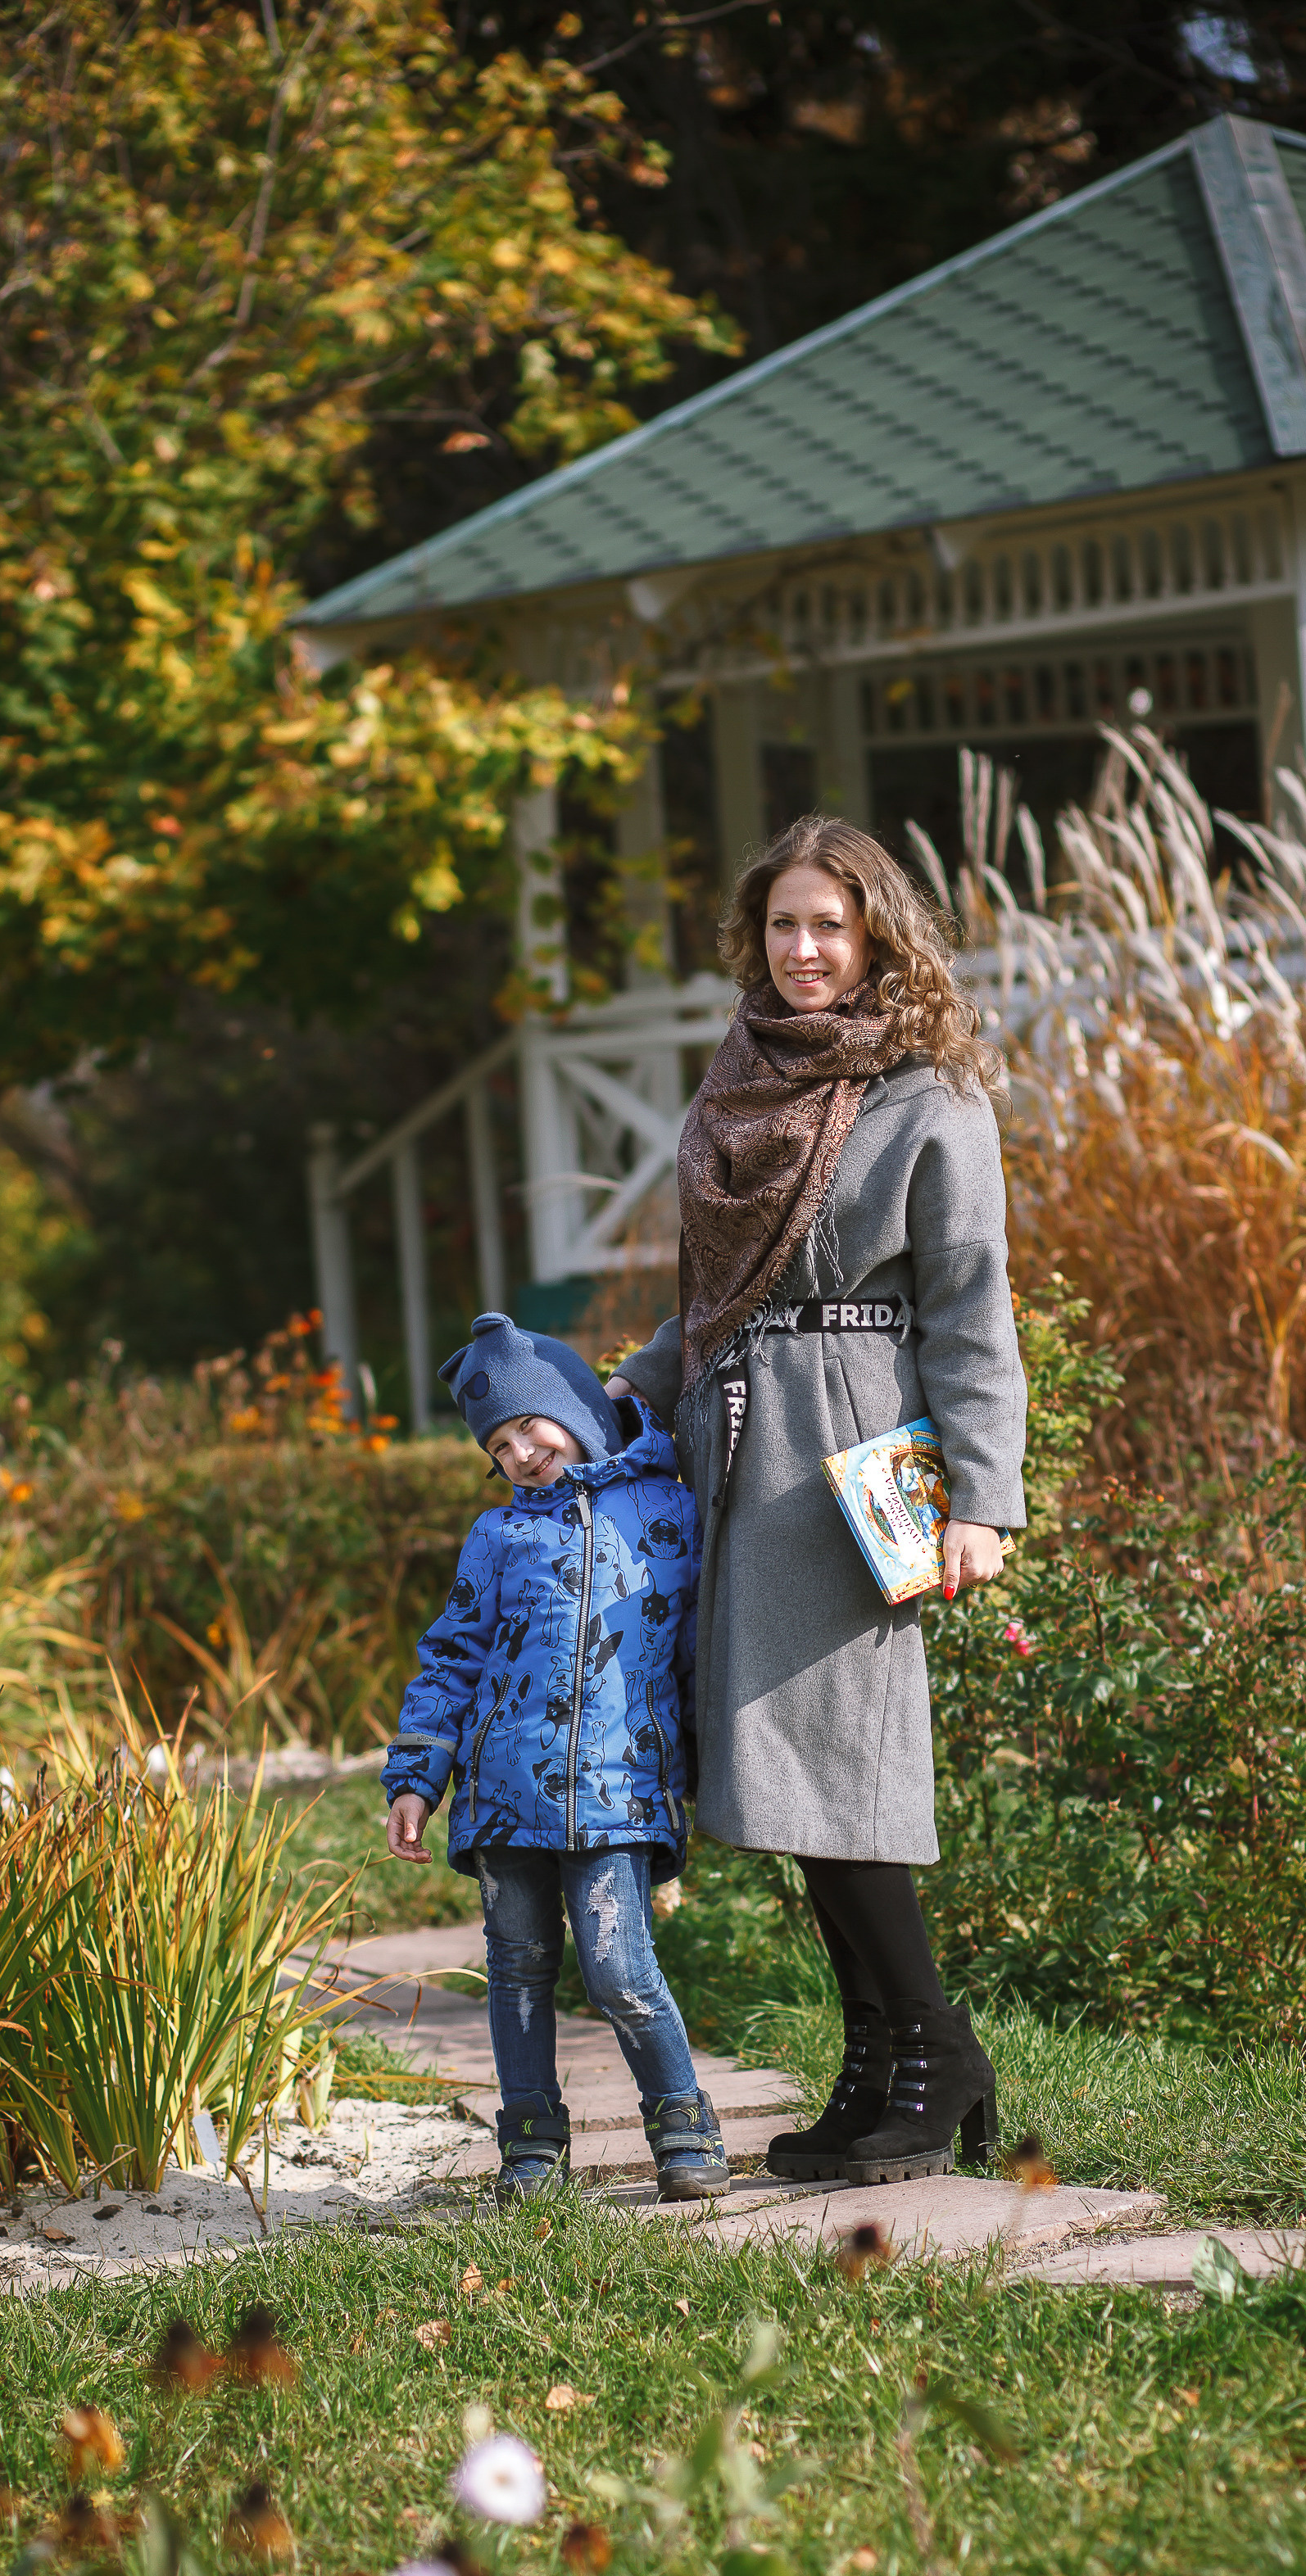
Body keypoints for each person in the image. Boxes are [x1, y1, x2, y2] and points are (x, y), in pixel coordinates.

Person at [610, 816, 1027, 2184]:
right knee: (789, 1790)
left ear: (875, 938)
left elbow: (970, 1311)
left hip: (860, 1467)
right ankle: (877, 2071)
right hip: (739, 1457)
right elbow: (713, 1299)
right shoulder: (737, 1082)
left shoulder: (930, 1097)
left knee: (845, 1776)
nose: (804, 950)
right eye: (784, 924)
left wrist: (983, 1499)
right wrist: (624, 1393)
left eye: (829, 927)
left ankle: (937, 2055)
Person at [383, 1311, 728, 2207]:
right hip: (502, 1800)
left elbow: (698, 1653)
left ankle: (683, 2123)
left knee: (621, 1971)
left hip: (620, 1794)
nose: (521, 1454)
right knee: (518, 1970)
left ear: (577, 1409)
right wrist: (417, 1778)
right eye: (498, 1447)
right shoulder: (497, 1538)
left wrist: (703, 1770)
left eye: (530, 1426)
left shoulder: (672, 1512)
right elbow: (450, 1659)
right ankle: (531, 2143)